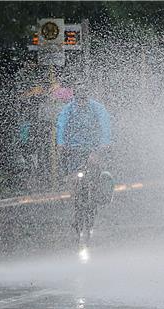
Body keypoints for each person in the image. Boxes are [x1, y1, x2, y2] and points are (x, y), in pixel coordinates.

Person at [56, 83, 112, 241]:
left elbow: (105, 126)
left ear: (87, 97)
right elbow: (61, 125)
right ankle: (76, 203)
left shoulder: (97, 108)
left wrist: (104, 144)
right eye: (78, 99)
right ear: (75, 97)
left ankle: (96, 196)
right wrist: (60, 143)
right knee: (74, 179)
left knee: (95, 176)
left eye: (84, 99)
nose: (81, 102)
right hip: (74, 150)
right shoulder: (68, 109)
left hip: (94, 149)